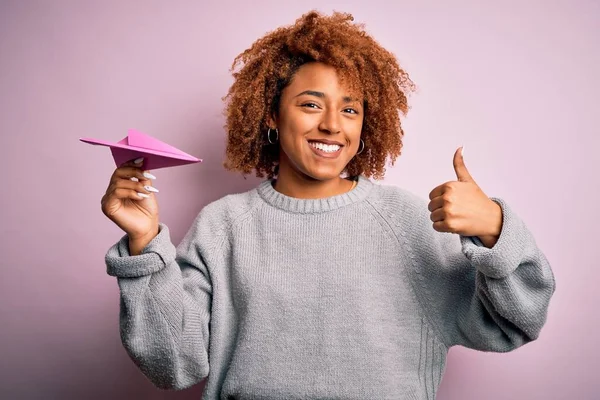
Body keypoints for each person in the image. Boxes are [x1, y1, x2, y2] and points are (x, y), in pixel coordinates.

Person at [101, 10, 555, 400]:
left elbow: (513, 324)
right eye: (311, 104)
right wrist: (143, 247)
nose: (333, 125)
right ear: (272, 116)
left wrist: (495, 231)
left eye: (351, 110)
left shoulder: (407, 221)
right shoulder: (223, 227)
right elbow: (172, 364)